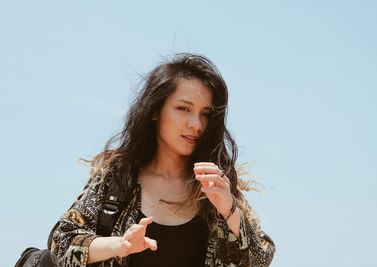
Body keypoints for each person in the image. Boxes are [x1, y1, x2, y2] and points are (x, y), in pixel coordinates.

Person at [50, 53, 275, 267]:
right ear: (155, 110)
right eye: (183, 109)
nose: (196, 124)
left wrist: (229, 210)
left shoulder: (217, 186)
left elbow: (260, 257)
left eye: (205, 114)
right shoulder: (118, 179)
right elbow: (61, 241)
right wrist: (120, 245)